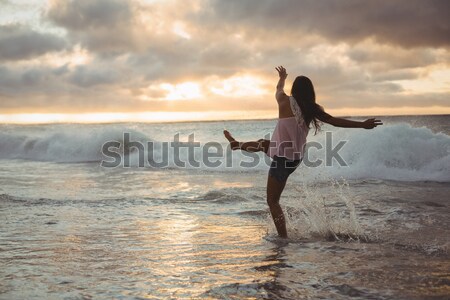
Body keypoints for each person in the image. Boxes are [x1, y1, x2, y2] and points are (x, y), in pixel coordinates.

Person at [223, 66, 382, 238]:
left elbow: (278, 89)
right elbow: (335, 122)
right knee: (263, 144)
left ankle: (283, 238)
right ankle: (236, 145)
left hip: (283, 159)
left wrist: (282, 77)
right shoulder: (311, 109)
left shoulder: (284, 101)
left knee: (272, 201)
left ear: (294, 90)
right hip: (295, 157)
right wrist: (362, 124)